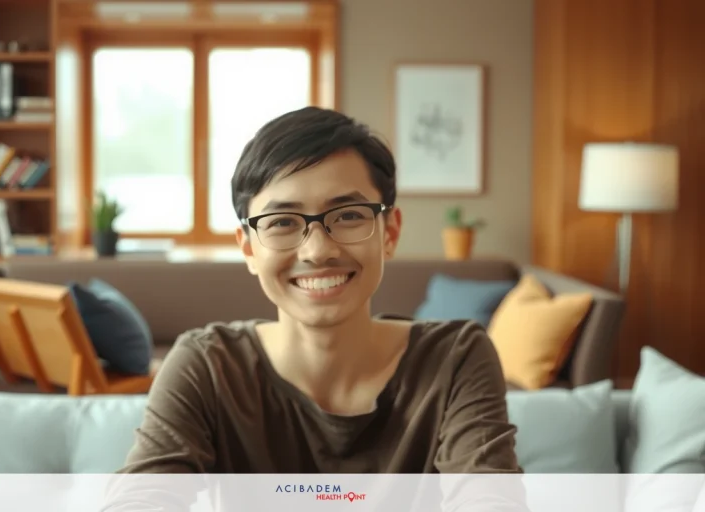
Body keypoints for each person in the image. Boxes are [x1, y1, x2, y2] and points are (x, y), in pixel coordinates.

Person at [101, 107, 527, 511]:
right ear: (249, 247)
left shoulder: (456, 358)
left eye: (347, 216)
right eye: (282, 222)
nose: (318, 250)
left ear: (389, 231)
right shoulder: (208, 365)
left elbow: (489, 497)